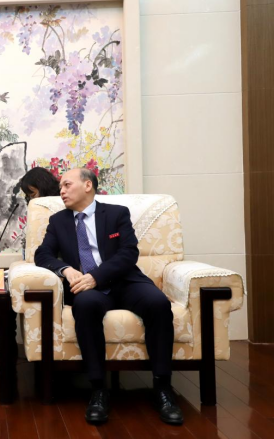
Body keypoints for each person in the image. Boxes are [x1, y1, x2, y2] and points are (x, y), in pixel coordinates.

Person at [35, 168, 183, 425]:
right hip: (87, 288)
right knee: (85, 305)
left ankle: (163, 388)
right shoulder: (58, 221)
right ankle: (98, 389)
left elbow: (128, 253)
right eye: (60, 187)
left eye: (67, 185)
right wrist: (66, 269)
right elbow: (42, 254)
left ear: (87, 185)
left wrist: (97, 276)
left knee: (158, 303)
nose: (61, 191)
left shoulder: (116, 214)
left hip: (125, 281)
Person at [0, 167, 60, 358]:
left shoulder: (57, 208)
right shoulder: (37, 211)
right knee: (7, 286)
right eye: (28, 196)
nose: (30, 200)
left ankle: (5, 342)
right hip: (37, 265)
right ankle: (5, 341)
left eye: (32, 194)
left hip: (55, 268)